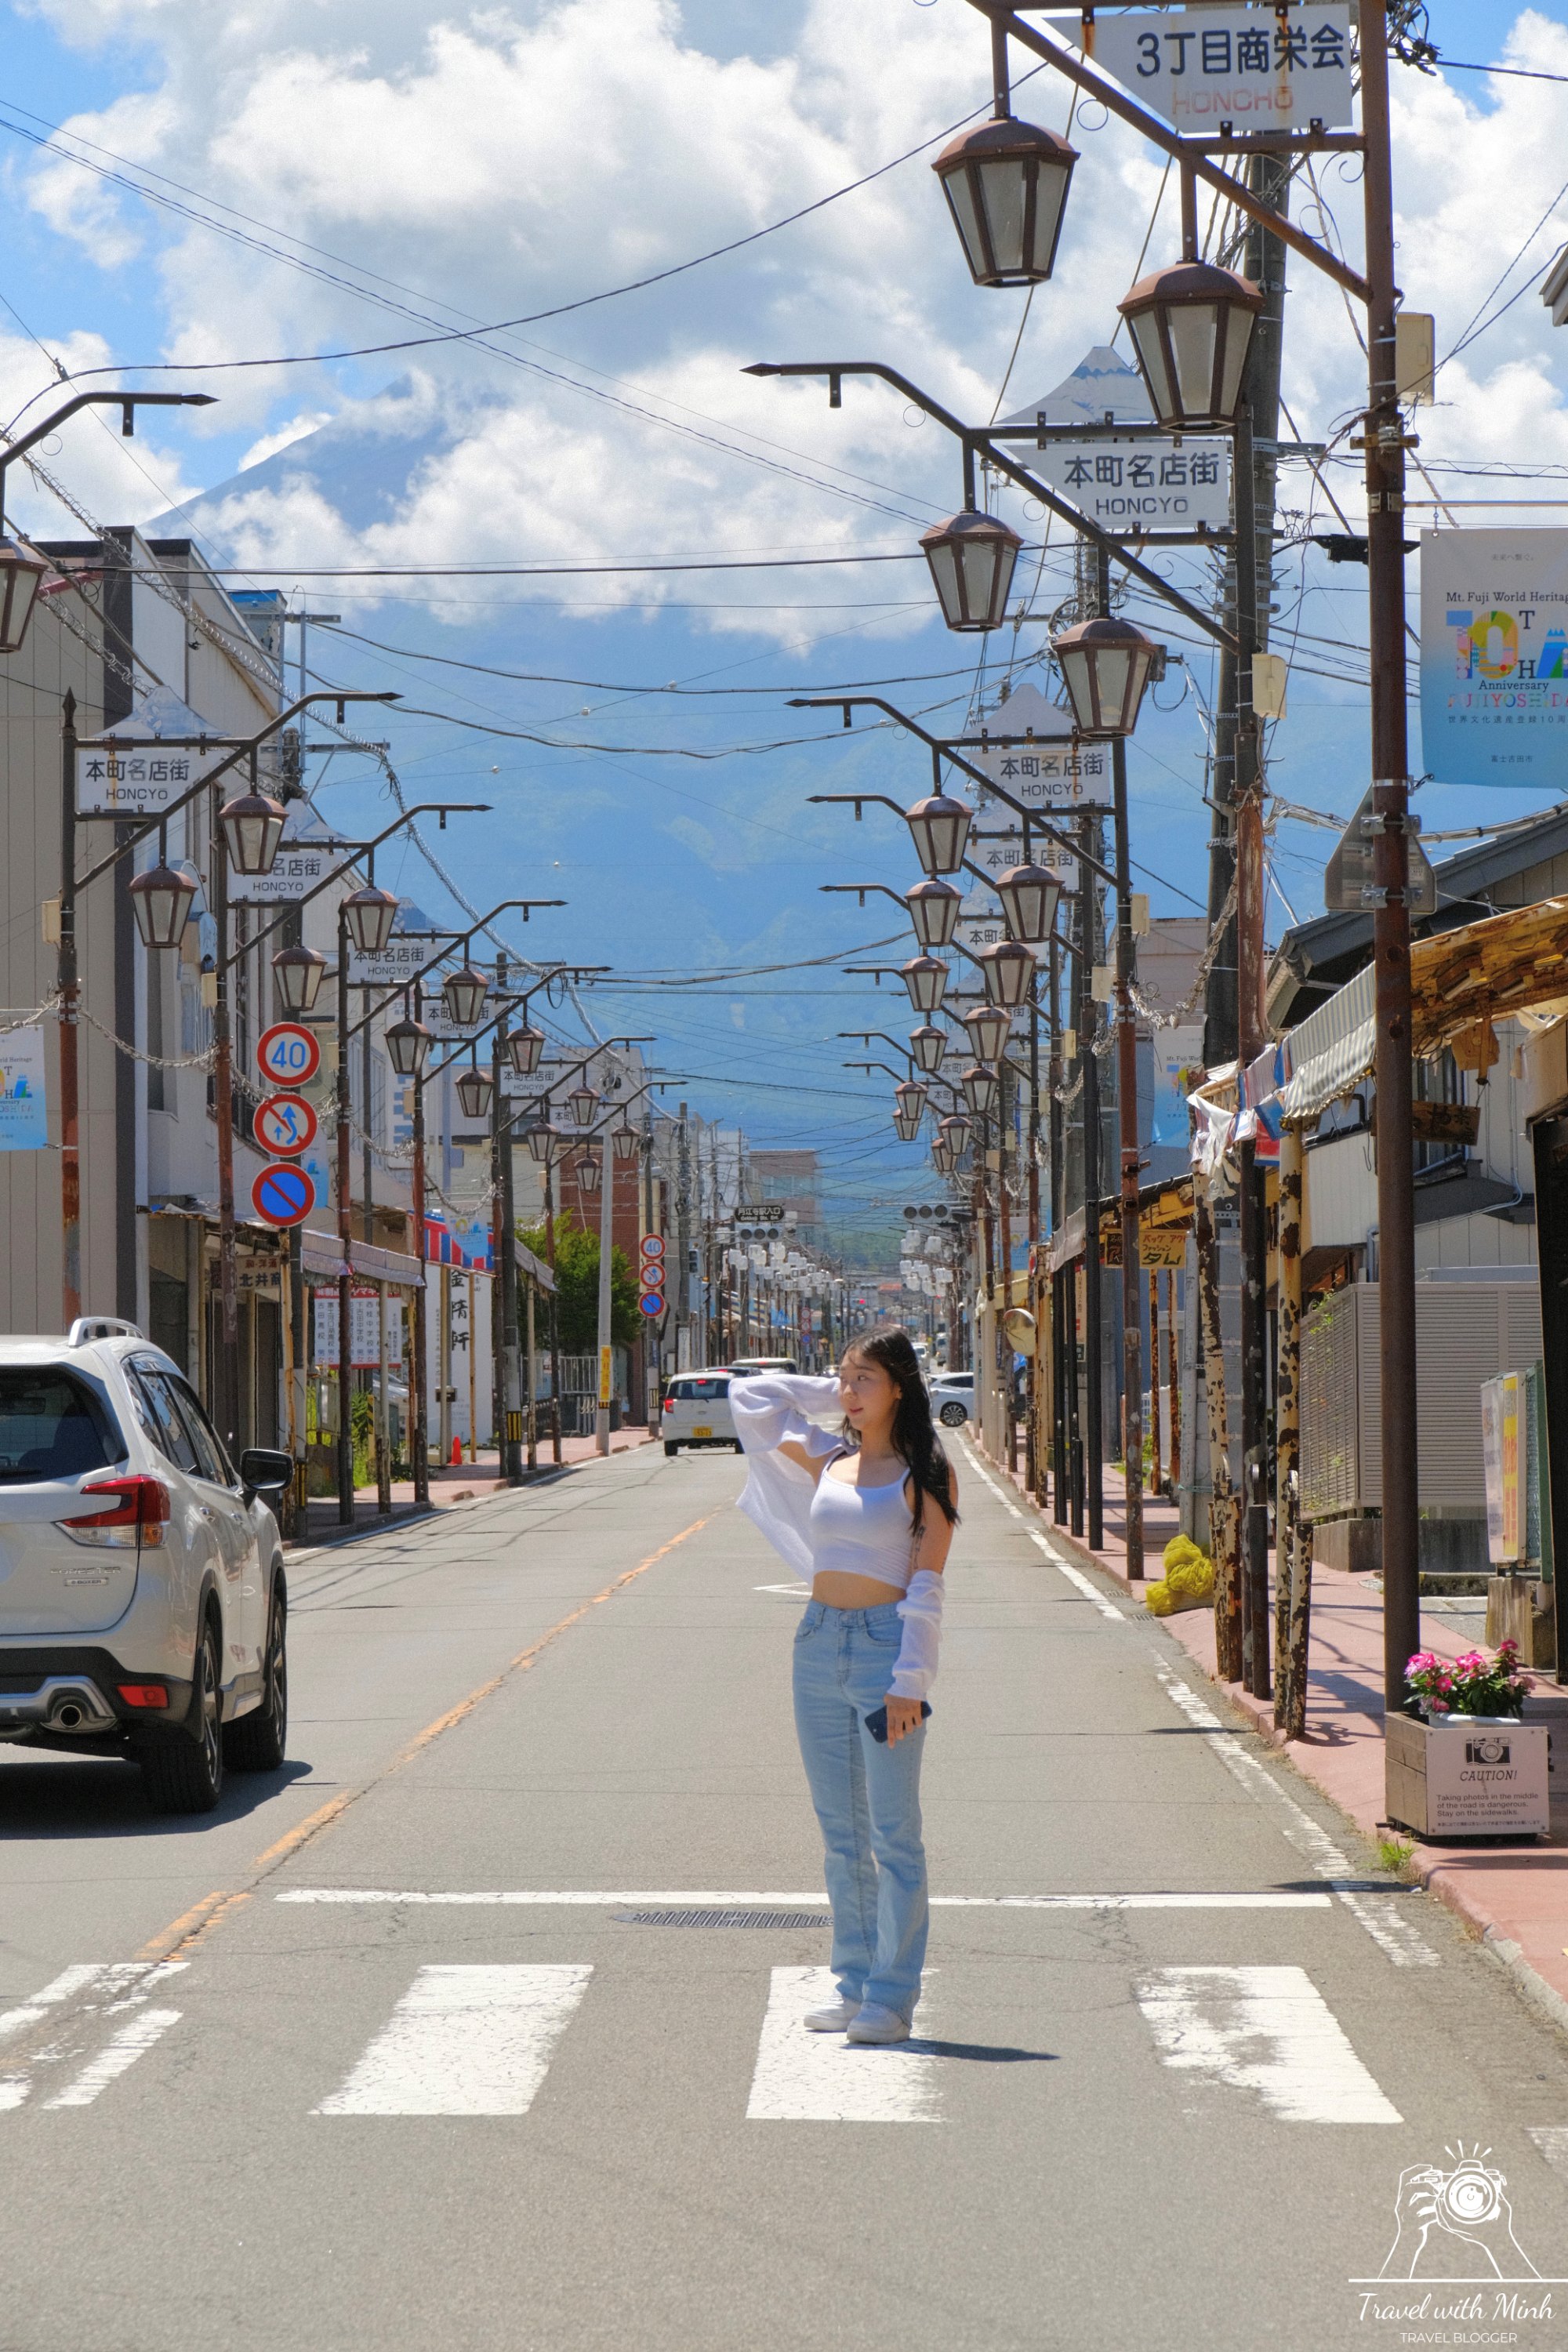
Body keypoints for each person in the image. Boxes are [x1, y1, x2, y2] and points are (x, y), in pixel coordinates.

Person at [730, 1329, 959, 2045]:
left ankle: (891, 1997)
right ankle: (854, 1984)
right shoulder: (830, 1457)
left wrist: (910, 1680)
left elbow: (927, 1585)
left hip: (886, 1649)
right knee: (842, 1835)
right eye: (842, 1378)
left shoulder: (925, 1471)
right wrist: (831, 1394)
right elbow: (750, 1397)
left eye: (865, 1379)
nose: (849, 1391)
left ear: (900, 1386)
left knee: (894, 1835)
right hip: (817, 1644)